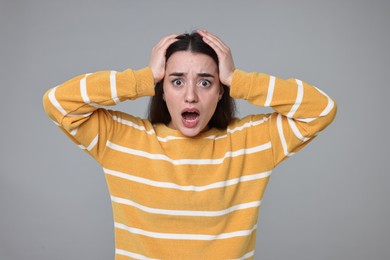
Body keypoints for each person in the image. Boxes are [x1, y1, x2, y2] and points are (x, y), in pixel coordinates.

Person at [43, 30, 337, 259]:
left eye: (206, 82)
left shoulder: (250, 143)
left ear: (222, 91)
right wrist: (143, 78)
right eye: (177, 81)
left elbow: (321, 109)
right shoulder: (122, 140)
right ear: (162, 89)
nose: (191, 96)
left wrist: (238, 79)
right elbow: (58, 102)